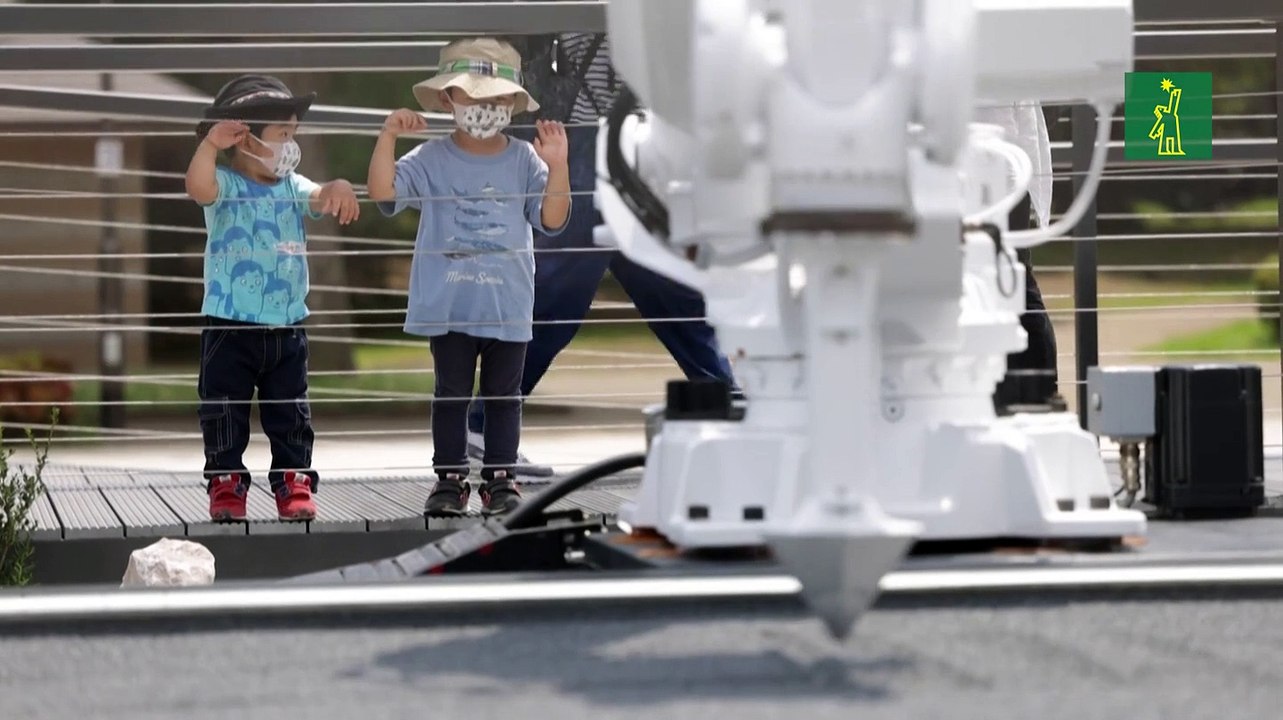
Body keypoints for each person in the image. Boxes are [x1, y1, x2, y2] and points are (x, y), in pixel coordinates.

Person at [465, 32, 738, 480]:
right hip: (589, 135)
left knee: (668, 285)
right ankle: (485, 424)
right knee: (561, 296)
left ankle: (732, 399)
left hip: (622, 136)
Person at [368, 38, 571, 516]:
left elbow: (553, 218)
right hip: (449, 307)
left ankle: (501, 479)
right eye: (474, 97)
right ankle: (450, 479)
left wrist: (558, 165)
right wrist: (387, 138)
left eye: (498, 99)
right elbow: (383, 193)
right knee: (450, 395)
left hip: (508, 305)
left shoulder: (524, 159)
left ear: (514, 104)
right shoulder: (430, 158)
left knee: (505, 397)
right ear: (447, 99)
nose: (485, 108)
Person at [187, 74, 361, 522]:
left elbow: (319, 196)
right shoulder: (225, 184)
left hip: (287, 325)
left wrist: (337, 187)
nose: (290, 146)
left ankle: (293, 480)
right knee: (224, 409)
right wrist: (210, 144)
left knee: (291, 410)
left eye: (293, 135)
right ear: (245, 140)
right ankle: (226, 483)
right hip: (230, 324)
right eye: (282, 135)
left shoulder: (291, 185)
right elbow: (197, 187)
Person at [975, 101, 1060, 410]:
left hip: (1000, 167)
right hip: (985, 161)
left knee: (1014, 284)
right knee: (1011, 285)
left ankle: (1034, 399)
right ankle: (1032, 398)